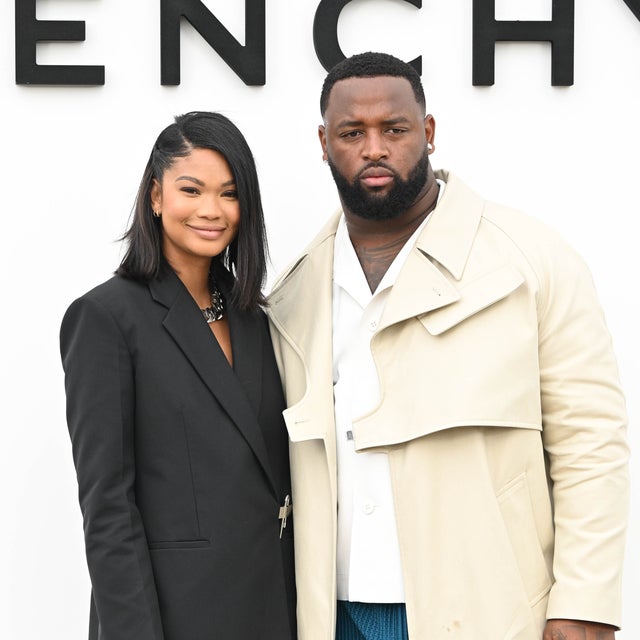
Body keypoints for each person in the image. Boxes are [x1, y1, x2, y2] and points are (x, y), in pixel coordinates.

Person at [267, 52, 629, 640]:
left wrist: (584, 603)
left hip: (492, 613)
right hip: (332, 616)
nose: (374, 148)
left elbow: (590, 442)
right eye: (352, 133)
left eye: (395, 129)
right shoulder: (293, 291)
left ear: (429, 132)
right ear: (324, 144)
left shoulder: (531, 259)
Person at [60, 111, 296, 640]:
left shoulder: (256, 318)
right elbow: (107, 508)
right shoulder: (106, 318)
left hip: (271, 610)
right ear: (156, 196)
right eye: (192, 190)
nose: (212, 210)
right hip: (176, 617)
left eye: (229, 194)